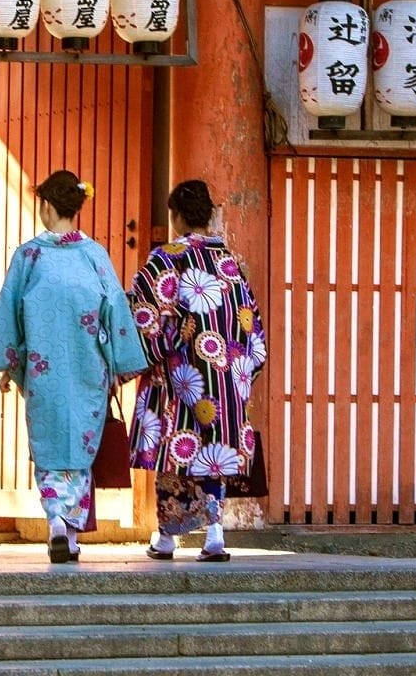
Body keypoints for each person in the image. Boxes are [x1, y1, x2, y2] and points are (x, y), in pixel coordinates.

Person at [0, 170, 148, 564]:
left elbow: (10, 313)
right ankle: (69, 533)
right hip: (88, 365)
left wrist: (9, 361)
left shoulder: (29, 256)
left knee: (51, 442)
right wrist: (121, 362)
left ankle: (57, 520)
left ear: (46, 206)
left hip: (43, 369)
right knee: (80, 443)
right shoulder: (95, 256)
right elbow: (116, 310)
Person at [127, 180, 267, 563]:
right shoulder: (230, 264)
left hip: (181, 375)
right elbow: (252, 326)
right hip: (227, 373)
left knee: (178, 449)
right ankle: (215, 533)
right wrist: (239, 371)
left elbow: (147, 319)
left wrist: (136, 355)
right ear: (210, 215)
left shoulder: (165, 260)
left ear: (175, 216)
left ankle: (168, 538)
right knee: (215, 451)